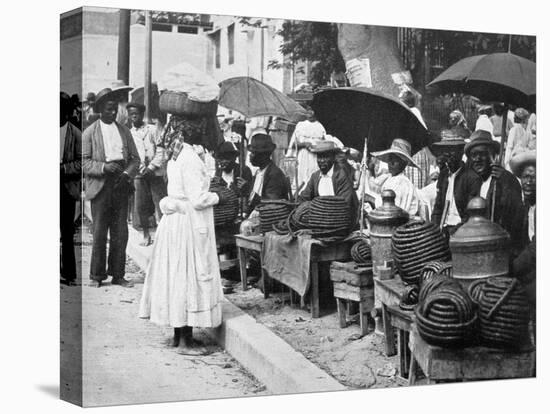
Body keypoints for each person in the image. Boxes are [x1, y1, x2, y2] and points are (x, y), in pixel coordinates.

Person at [139, 114, 226, 355]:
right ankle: (185, 341)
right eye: (199, 130)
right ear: (190, 132)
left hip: (174, 223)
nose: (203, 133)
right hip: (186, 225)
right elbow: (198, 199)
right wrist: (219, 196)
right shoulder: (189, 158)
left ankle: (179, 336)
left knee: (176, 276)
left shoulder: (177, 154)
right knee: (187, 277)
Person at [82, 87, 140, 288]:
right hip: (100, 186)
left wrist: (126, 174)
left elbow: (135, 159)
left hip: (120, 184)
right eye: (108, 109)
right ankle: (97, 276)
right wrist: (103, 167)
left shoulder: (124, 131)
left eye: (115, 109)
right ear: (100, 109)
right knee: (99, 232)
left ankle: (118, 274)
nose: (113, 113)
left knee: (120, 232)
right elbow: (83, 162)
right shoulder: (90, 132)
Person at [463, 130, 524, 256]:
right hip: (481, 246)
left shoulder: (506, 180)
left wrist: (505, 182)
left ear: (493, 156)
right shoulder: (475, 183)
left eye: (482, 154)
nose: (477, 159)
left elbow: (516, 219)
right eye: (473, 155)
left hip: (503, 249)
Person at [127, 102, 167, 246]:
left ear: (142, 114)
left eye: (136, 114)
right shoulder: (129, 133)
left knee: (161, 203)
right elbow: (130, 155)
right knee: (141, 206)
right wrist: (139, 167)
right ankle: (146, 234)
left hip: (155, 173)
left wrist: (151, 167)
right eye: (131, 114)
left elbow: (161, 150)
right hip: (139, 174)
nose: (133, 117)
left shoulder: (153, 130)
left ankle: (164, 237)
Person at [297, 141, 359, 226]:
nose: (321, 161)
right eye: (319, 157)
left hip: (341, 222)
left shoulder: (341, 176)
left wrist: (317, 211)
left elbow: (344, 205)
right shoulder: (315, 177)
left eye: (325, 157)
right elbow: (304, 198)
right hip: (320, 220)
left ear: (333, 158)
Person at [240, 133, 290, 235]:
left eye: (253, 153)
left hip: (271, 222)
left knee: (245, 227)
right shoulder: (258, 173)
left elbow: (270, 205)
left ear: (263, 155)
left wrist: (249, 191)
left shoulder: (275, 175)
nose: (250, 156)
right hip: (258, 218)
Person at [509, 150, 536, 335]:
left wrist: (515, 267)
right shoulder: (526, 207)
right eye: (525, 177)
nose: (528, 182)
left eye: (533, 178)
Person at [430, 130, 476, 234]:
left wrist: (457, 230)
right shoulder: (443, 175)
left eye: (452, 150)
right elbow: (438, 206)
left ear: (461, 152)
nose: (448, 154)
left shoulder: (471, 177)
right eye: (445, 150)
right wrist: (434, 228)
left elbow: (470, 214)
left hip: (462, 230)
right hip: (444, 228)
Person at [60, 92, 82, 286]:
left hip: (66, 186)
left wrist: (64, 169)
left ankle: (69, 274)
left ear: (67, 113)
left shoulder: (75, 133)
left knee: (66, 232)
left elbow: (82, 161)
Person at [370, 138, 422, 217]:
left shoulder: (403, 183)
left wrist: (371, 199)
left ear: (404, 163)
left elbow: (392, 210)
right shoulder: (389, 179)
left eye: (395, 160)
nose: (391, 163)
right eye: (390, 159)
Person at [399, 90, 435, 189]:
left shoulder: (413, 112)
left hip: (416, 153)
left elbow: (422, 135)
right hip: (412, 152)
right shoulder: (407, 113)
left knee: (416, 186)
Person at [285, 109, 326, 192]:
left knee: (313, 176)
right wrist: (304, 144)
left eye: (312, 111)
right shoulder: (301, 125)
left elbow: (324, 144)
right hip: (303, 156)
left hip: (315, 157)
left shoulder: (320, 127)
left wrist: (317, 146)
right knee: (301, 178)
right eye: (308, 111)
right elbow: (293, 144)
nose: (310, 113)